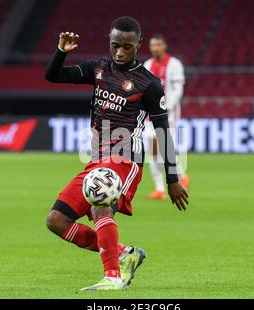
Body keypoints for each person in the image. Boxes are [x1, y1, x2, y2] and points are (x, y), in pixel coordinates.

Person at [44, 16, 188, 291]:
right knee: (56, 221)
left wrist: (172, 179)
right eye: (115, 45)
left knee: (100, 201)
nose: (120, 52)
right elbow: (53, 75)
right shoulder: (98, 68)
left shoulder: (149, 84)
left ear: (138, 45)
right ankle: (123, 253)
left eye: (127, 46)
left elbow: (162, 132)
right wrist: (61, 51)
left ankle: (112, 277)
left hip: (126, 158)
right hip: (97, 158)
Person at [143, 34, 189, 200]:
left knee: (163, 147)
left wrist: (167, 106)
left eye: (158, 45)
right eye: (153, 45)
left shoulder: (174, 64)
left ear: (164, 46)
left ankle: (175, 179)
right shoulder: (147, 64)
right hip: (150, 115)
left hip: (168, 114)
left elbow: (178, 90)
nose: (155, 48)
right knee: (153, 150)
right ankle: (164, 185)